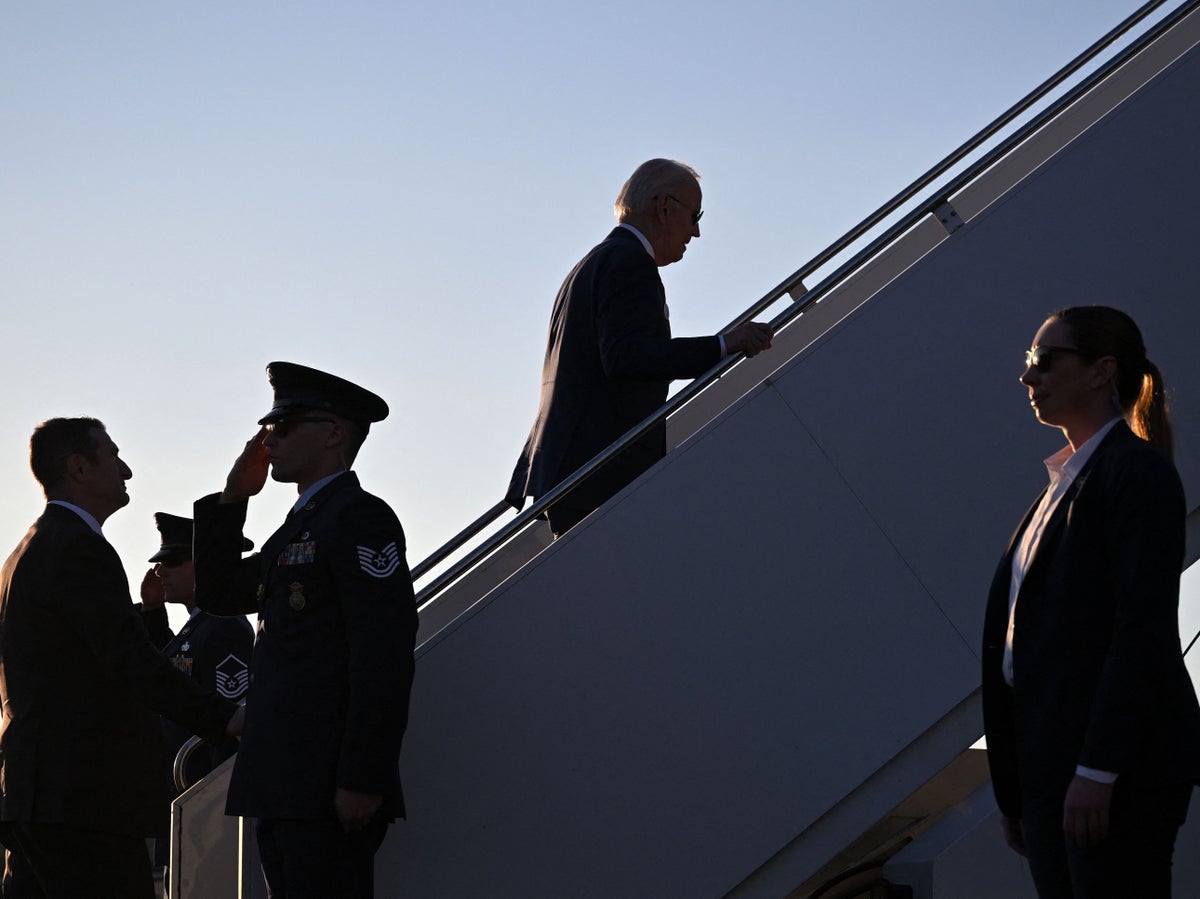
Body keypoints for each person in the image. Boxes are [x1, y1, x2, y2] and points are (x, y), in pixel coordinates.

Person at [981, 306, 1200, 897]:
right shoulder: (1060, 487)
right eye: (1030, 363)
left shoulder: (1136, 474)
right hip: (1054, 771)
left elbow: (1141, 631)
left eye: (1045, 360)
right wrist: (1018, 788)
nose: (1029, 377)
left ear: (1102, 371)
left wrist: (1098, 769)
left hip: (1112, 774)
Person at [192, 362, 418, 898]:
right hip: (285, 780)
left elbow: (382, 655)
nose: (269, 441)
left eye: (284, 427)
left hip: (325, 782)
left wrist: (363, 777)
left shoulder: (359, 517)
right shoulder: (301, 524)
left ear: (333, 433)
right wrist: (232, 499)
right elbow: (222, 595)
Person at [0, 417, 243, 899]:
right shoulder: (78, 547)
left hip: (33, 793)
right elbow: (129, 660)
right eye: (112, 456)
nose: (126, 470)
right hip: (83, 799)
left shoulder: (24, 553)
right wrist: (225, 717)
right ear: (79, 468)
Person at [505, 158, 775, 535]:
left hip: (569, 468)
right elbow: (630, 357)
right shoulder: (630, 263)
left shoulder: (590, 265)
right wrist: (723, 345)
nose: (695, 232)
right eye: (695, 216)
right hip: (601, 472)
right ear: (665, 208)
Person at [139, 512, 255, 868]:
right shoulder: (200, 628)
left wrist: (214, 807)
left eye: (173, 562)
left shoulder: (225, 628)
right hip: (183, 796)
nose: (161, 572)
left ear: (204, 564)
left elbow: (230, 726)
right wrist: (152, 612)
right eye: (160, 563)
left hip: (202, 799)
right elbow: (170, 672)